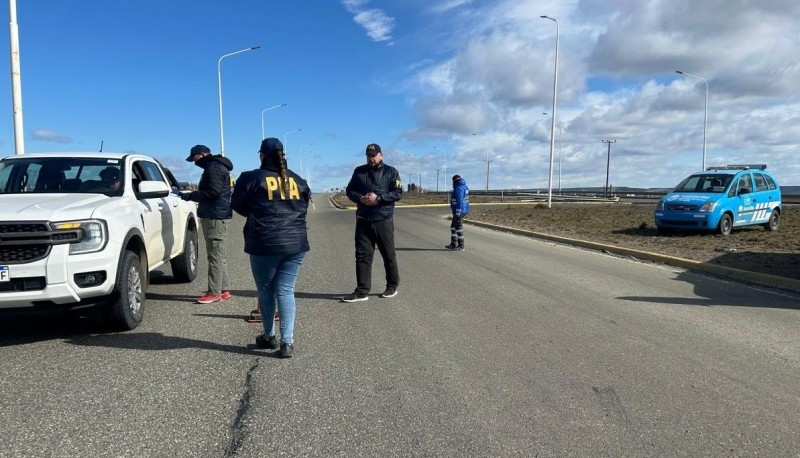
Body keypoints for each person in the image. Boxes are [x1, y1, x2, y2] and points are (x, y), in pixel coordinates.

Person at [231, 138, 310, 358]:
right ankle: (287, 342)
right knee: (286, 290)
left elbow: (238, 205)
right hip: (296, 243)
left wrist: (258, 214)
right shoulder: (299, 180)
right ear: (283, 155)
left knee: (266, 290)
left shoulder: (251, 178)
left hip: (264, 242)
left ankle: (268, 336)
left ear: (261, 155)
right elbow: (303, 206)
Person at [341, 143, 402, 302]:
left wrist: (379, 199)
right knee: (362, 256)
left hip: (383, 219)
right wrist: (360, 198)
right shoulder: (359, 171)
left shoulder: (391, 172)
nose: (371, 158)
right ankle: (362, 291)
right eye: (368, 155)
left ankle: (392, 286)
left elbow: (398, 192)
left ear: (381, 155)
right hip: (363, 219)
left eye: (374, 155)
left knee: (388, 254)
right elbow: (350, 191)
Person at [182, 144, 234, 304]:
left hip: (214, 216)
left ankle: (214, 292)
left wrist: (190, 195)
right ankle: (223, 289)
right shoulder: (218, 167)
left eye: (195, 158)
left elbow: (213, 192)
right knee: (219, 255)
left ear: (203, 154)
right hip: (218, 214)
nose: (194, 162)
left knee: (215, 256)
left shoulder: (213, 168)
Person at [446, 174, 470, 251]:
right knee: (453, 227)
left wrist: (457, 213)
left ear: (454, 180)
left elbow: (459, 201)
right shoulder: (464, 186)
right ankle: (453, 244)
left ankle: (461, 246)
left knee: (458, 228)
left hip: (459, 211)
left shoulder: (458, 188)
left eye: (452, 181)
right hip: (461, 210)